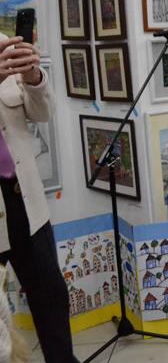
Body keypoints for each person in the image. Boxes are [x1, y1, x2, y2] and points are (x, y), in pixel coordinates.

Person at [0, 32, 79, 362]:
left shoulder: (4, 44)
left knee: (52, 298)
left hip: (24, 197)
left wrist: (34, 77)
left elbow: (43, 113)